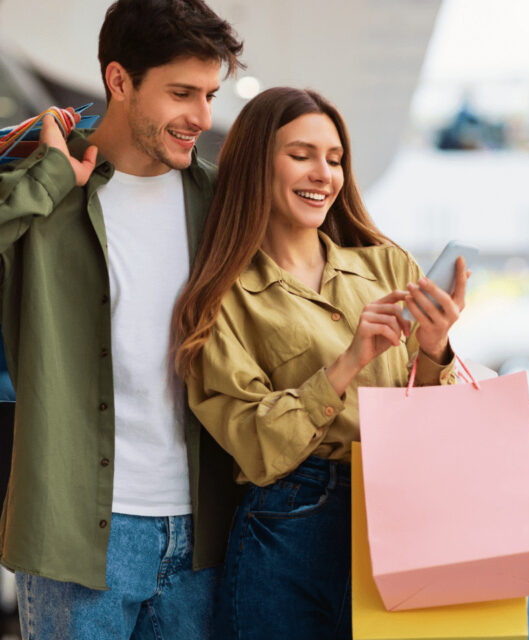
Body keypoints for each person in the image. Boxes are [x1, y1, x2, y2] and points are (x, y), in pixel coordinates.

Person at [171, 87, 467, 638]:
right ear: (257, 162)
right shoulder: (222, 298)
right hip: (291, 526)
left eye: (334, 159)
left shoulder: (387, 266)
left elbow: (434, 421)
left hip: (402, 509)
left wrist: (434, 350)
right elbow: (255, 444)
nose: (323, 175)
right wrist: (348, 362)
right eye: (301, 155)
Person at [0, 0, 243, 637]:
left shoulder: (221, 204)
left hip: (203, 534)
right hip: (76, 537)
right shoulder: (44, 188)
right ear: (118, 81)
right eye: (182, 93)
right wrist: (49, 179)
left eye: (210, 94)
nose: (202, 117)